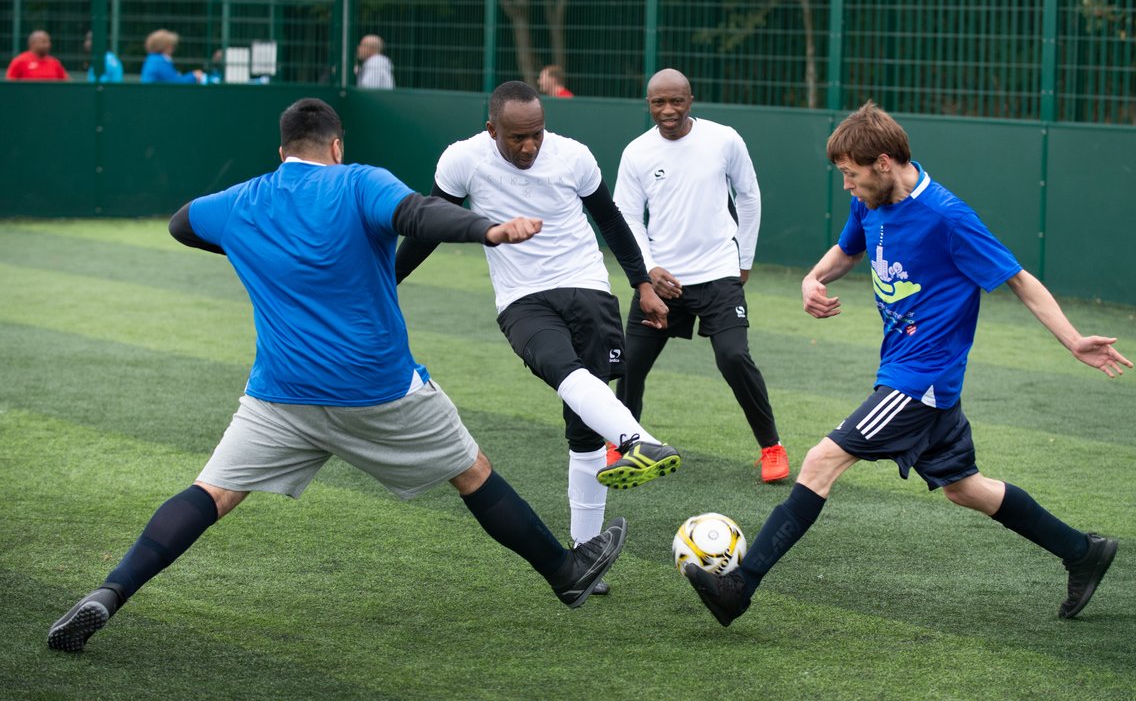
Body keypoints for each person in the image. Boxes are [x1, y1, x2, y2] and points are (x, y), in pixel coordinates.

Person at [47, 97, 626, 653]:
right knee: (471, 471)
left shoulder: (243, 201)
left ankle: (110, 591)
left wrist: (254, 246)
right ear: (336, 145)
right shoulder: (359, 181)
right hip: (379, 390)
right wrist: (488, 230)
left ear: (282, 151)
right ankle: (565, 572)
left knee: (214, 492)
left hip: (280, 395)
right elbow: (418, 215)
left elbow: (181, 223)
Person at [684, 101, 1131, 626]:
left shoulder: (947, 216)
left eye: (851, 175)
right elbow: (847, 250)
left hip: (920, 380)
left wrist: (1075, 340)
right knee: (966, 488)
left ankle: (740, 586)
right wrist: (813, 278)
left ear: (884, 163)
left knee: (820, 462)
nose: (847, 186)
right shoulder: (869, 203)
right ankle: (1082, 552)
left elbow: (1018, 279)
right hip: (914, 377)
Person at [393, 81, 681, 585]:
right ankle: (639, 440)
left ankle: (587, 559)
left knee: (583, 428)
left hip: (586, 287)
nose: (528, 147)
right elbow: (429, 226)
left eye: (536, 135)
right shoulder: (463, 160)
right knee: (558, 366)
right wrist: (385, 282)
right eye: (516, 138)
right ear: (491, 130)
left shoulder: (573, 157)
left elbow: (611, 222)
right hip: (522, 298)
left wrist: (642, 283)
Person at [612, 68, 788, 483]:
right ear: (649, 104)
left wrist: (744, 256)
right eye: (659, 102)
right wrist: (648, 271)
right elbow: (627, 218)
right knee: (629, 364)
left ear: (690, 101)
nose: (668, 110)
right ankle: (622, 447)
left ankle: (771, 448)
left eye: (676, 101)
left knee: (733, 356)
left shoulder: (723, 139)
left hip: (718, 273)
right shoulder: (636, 152)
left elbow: (748, 195)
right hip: (661, 281)